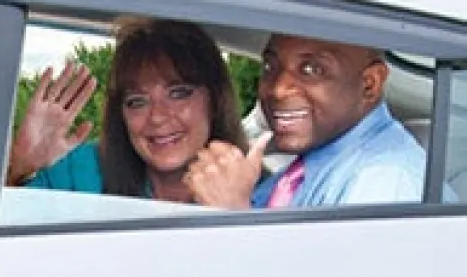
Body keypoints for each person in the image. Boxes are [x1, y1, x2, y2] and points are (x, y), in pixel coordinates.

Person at [7, 17, 248, 204]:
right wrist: (18, 169)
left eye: (178, 93)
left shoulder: (261, 189)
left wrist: (237, 213)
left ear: (215, 99)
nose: (157, 116)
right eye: (137, 101)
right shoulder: (81, 173)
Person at [183, 33, 426, 208]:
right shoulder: (301, 170)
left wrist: (233, 214)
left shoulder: (386, 181)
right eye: (270, 66)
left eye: (312, 70)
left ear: (369, 84)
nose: (278, 89)